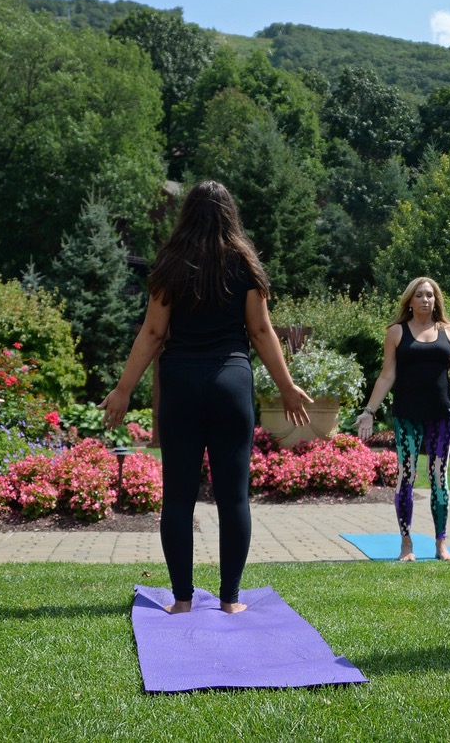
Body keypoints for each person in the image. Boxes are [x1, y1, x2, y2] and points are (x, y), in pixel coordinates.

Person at [101, 180, 312, 615]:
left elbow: (154, 332)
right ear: (229, 214)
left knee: (177, 494)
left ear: (187, 216)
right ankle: (231, 600)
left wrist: (123, 389)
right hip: (230, 382)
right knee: (234, 495)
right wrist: (287, 385)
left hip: (180, 383)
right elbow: (260, 331)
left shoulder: (170, 264)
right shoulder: (245, 263)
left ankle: (182, 599)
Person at [355, 277, 450, 561]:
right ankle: (406, 545)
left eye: (430, 295)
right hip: (407, 416)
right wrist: (369, 411)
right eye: (419, 295)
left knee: (439, 479)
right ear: (410, 300)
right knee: (406, 477)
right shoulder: (396, 332)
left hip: (440, 416)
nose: (425, 300)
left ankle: (441, 545)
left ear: (436, 299)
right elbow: (387, 375)